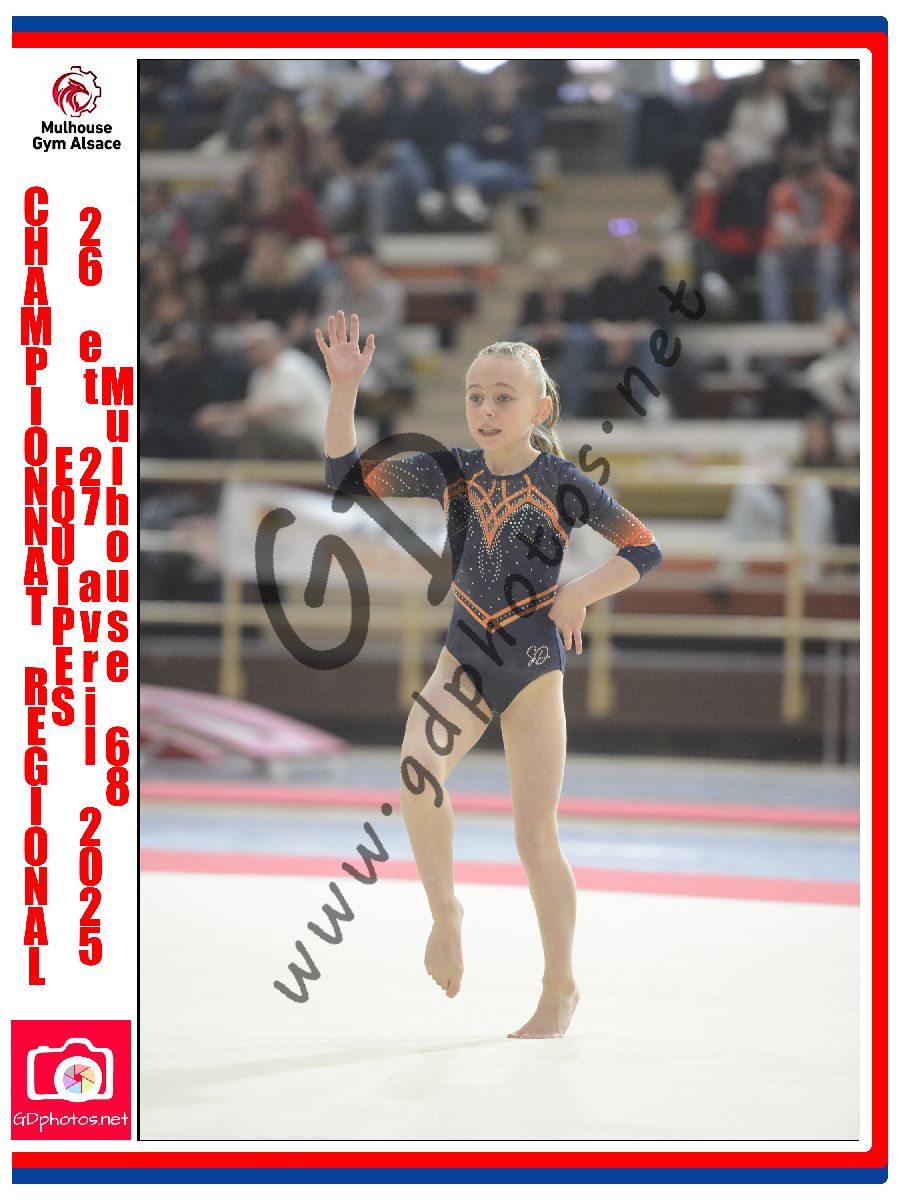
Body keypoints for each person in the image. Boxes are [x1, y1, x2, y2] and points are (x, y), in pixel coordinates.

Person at [318, 309, 663, 1039]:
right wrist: (344, 390)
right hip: (464, 658)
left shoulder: (563, 482)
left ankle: (560, 986)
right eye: (476, 395)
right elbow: (345, 478)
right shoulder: (453, 470)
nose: (486, 409)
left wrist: (580, 591)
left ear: (540, 408)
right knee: (417, 769)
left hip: (533, 669)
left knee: (535, 837)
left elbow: (642, 547)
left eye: (504, 397)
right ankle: (446, 911)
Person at [193, 320, 329, 459]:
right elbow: (253, 415)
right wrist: (224, 425)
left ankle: (250, 473)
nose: (251, 353)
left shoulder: (290, 365)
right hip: (287, 439)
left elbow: (269, 413)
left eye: (256, 347)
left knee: (254, 433)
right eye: (248, 349)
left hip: (315, 442)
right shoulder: (260, 374)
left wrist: (221, 414)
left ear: (274, 343)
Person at [757, 148, 855, 322]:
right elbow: (771, 235)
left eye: (816, 171)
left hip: (835, 256)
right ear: (800, 177)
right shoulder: (782, 193)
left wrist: (805, 238)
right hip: (796, 255)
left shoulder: (839, 191)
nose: (814, 178)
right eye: (807, 173)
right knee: (769, 259)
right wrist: (781, 241)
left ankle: (826, 319)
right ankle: (777, 325)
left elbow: (833, 233)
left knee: (829, 253)